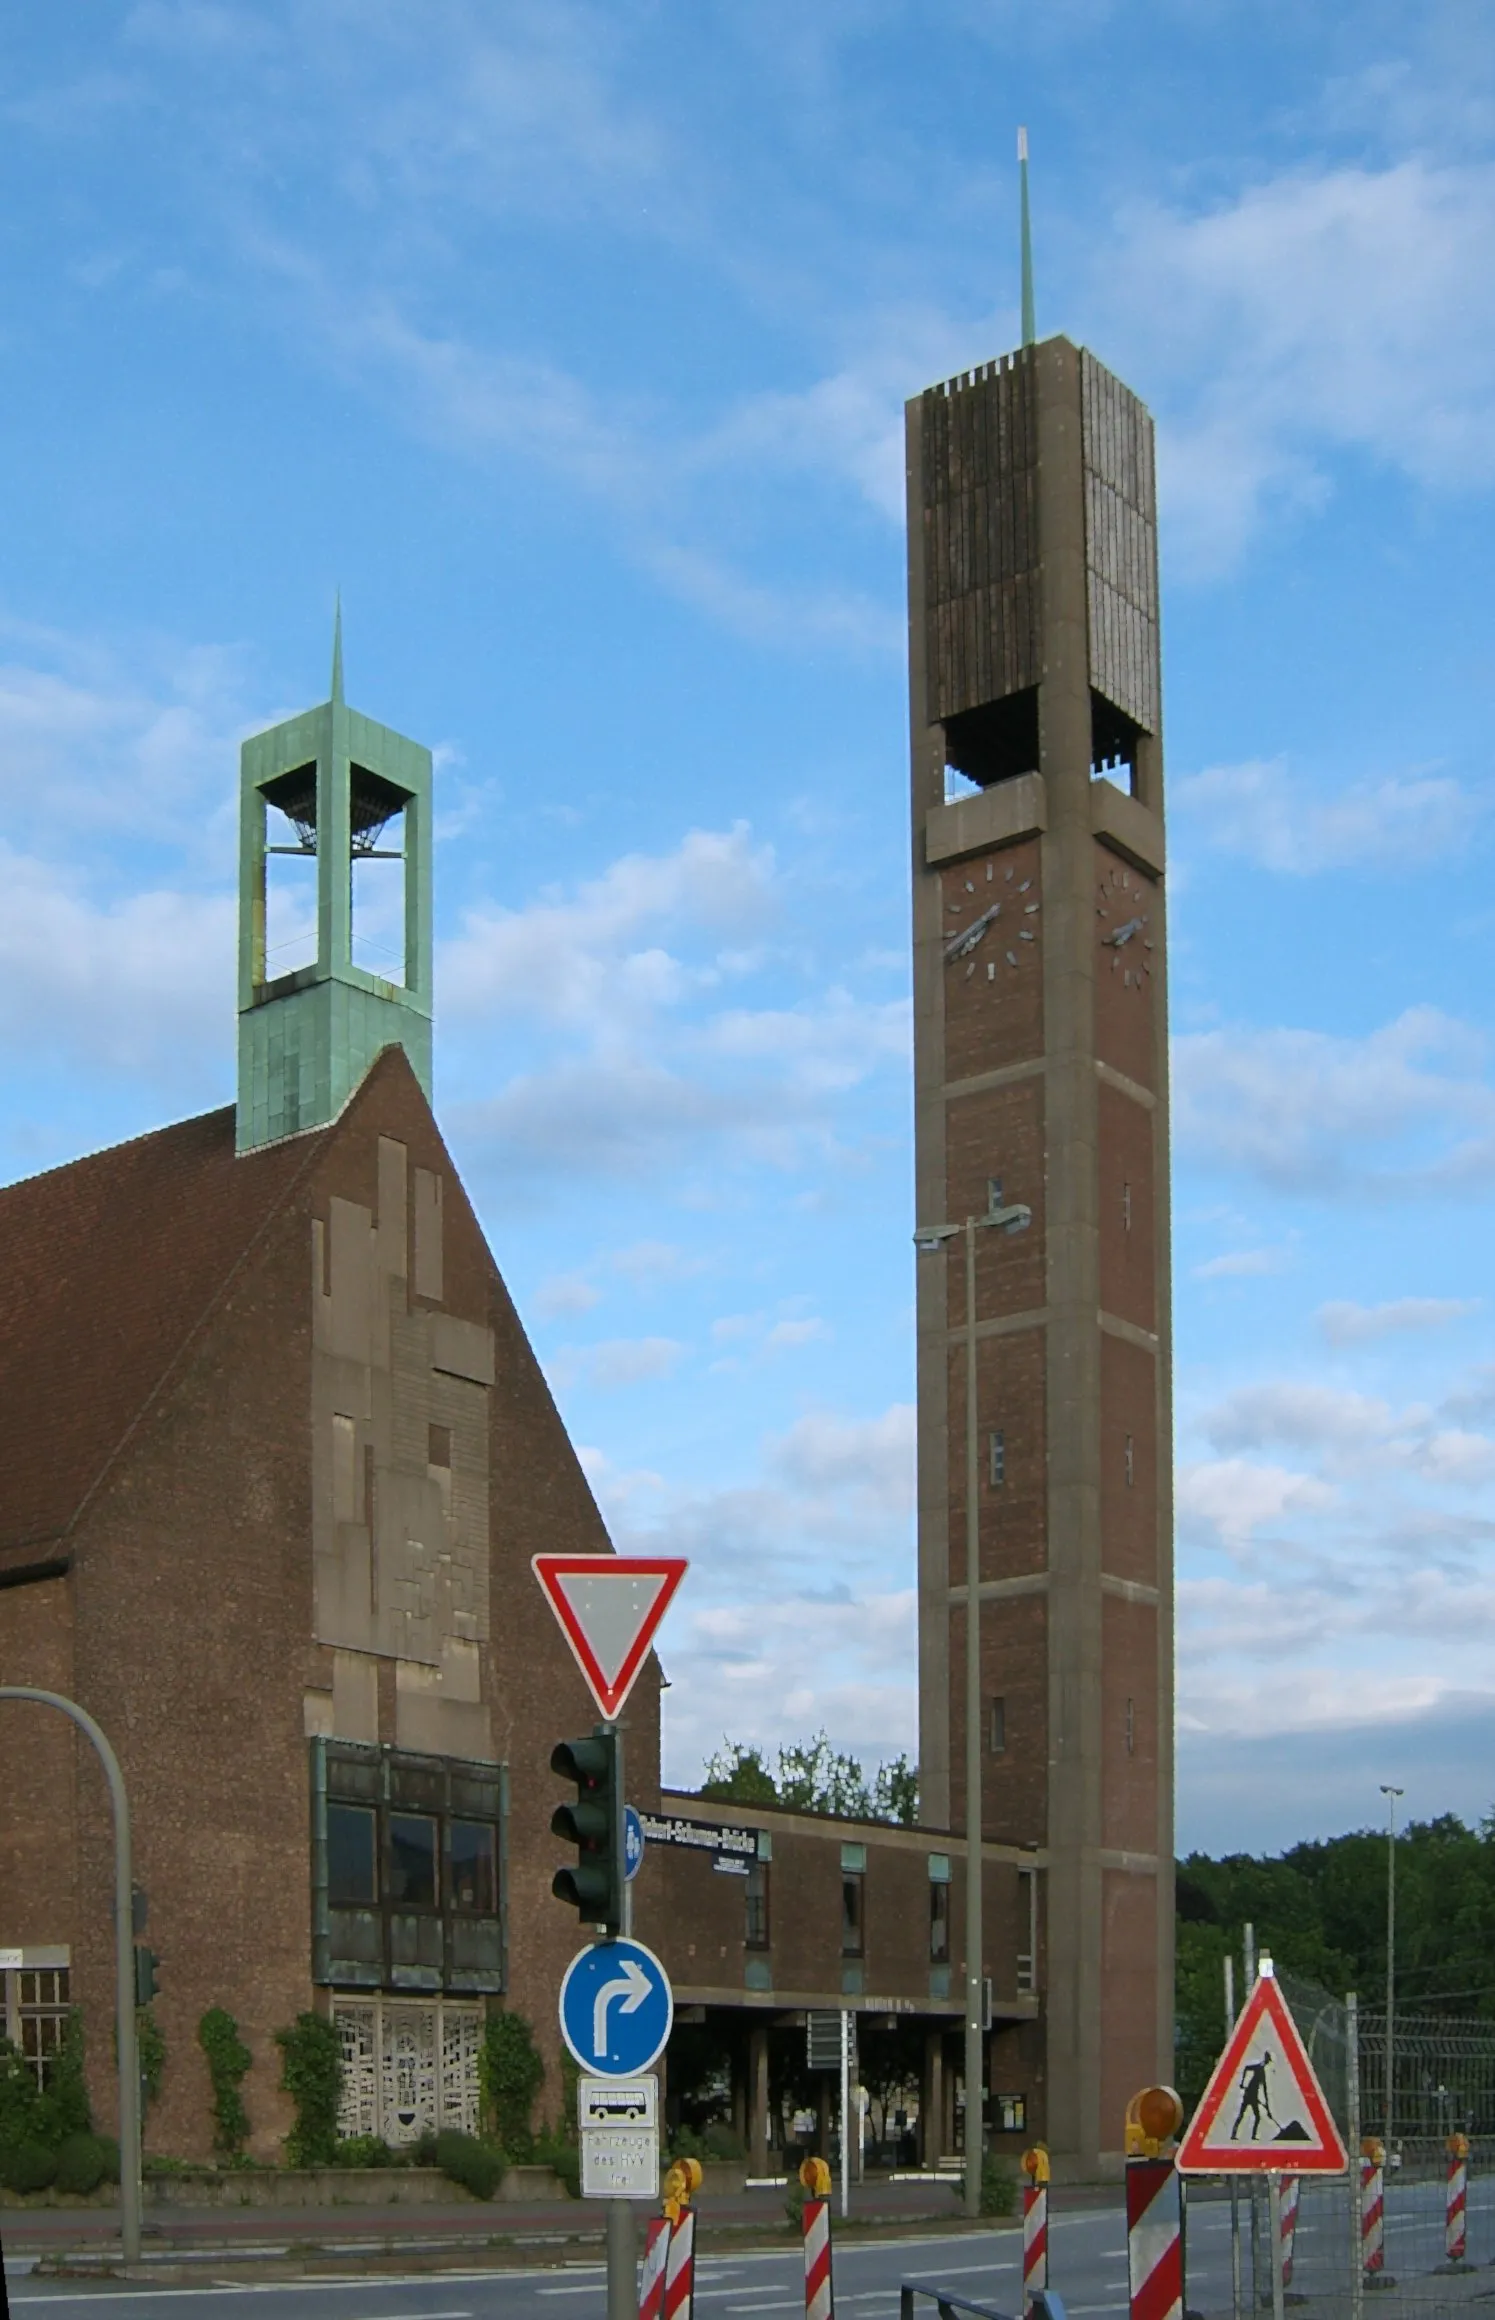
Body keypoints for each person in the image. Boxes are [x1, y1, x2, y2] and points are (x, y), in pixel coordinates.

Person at [1231, 2052, 1277, 2141]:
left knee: (1254, 2116)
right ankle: (1236, 2134)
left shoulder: (1262, 2071)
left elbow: (1264, 2089)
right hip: (1249, 2095)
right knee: (1244, 2115)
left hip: (1254, 2096)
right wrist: (1242, 2082)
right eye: (1268, 2060)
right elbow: (1246, 2068)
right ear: (1266, 2059)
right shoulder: (1258, 2067)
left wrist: (1266, 2104)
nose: (1268, 2062)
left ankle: (1251, 2135)